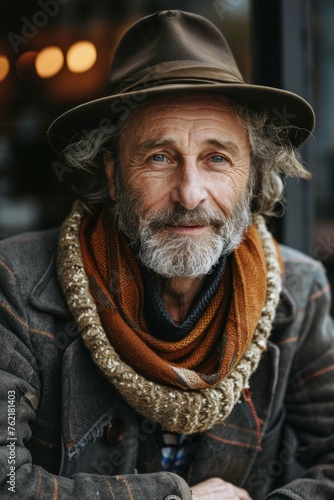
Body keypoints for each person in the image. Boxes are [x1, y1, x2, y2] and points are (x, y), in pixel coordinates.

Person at [0, 9, 333, 500]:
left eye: (217, 158)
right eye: (159, 157)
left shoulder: (298, 294)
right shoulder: (19, 285)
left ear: (253, 176)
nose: (189, 193)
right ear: (113, 174)